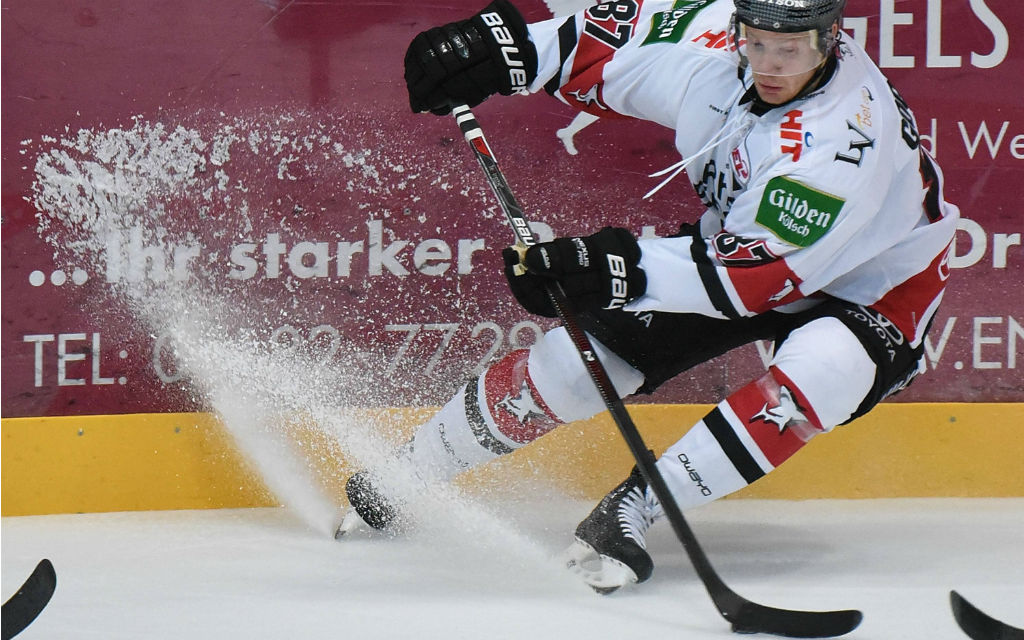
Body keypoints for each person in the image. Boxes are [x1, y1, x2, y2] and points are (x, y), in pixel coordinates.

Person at [341, 0, 959, 593]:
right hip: (740, 245)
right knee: (574, 366)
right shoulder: (716, 37)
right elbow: (602, 44)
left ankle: (637, 506)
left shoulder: (844, 143)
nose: (770, 65)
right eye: (758, 42)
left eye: (791, 50)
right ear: (739, 26)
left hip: (874, 287)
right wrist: (500, 51)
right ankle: (404, 474)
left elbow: (752, 280)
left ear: (829, 40)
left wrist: (606, 268)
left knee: (821, 379)